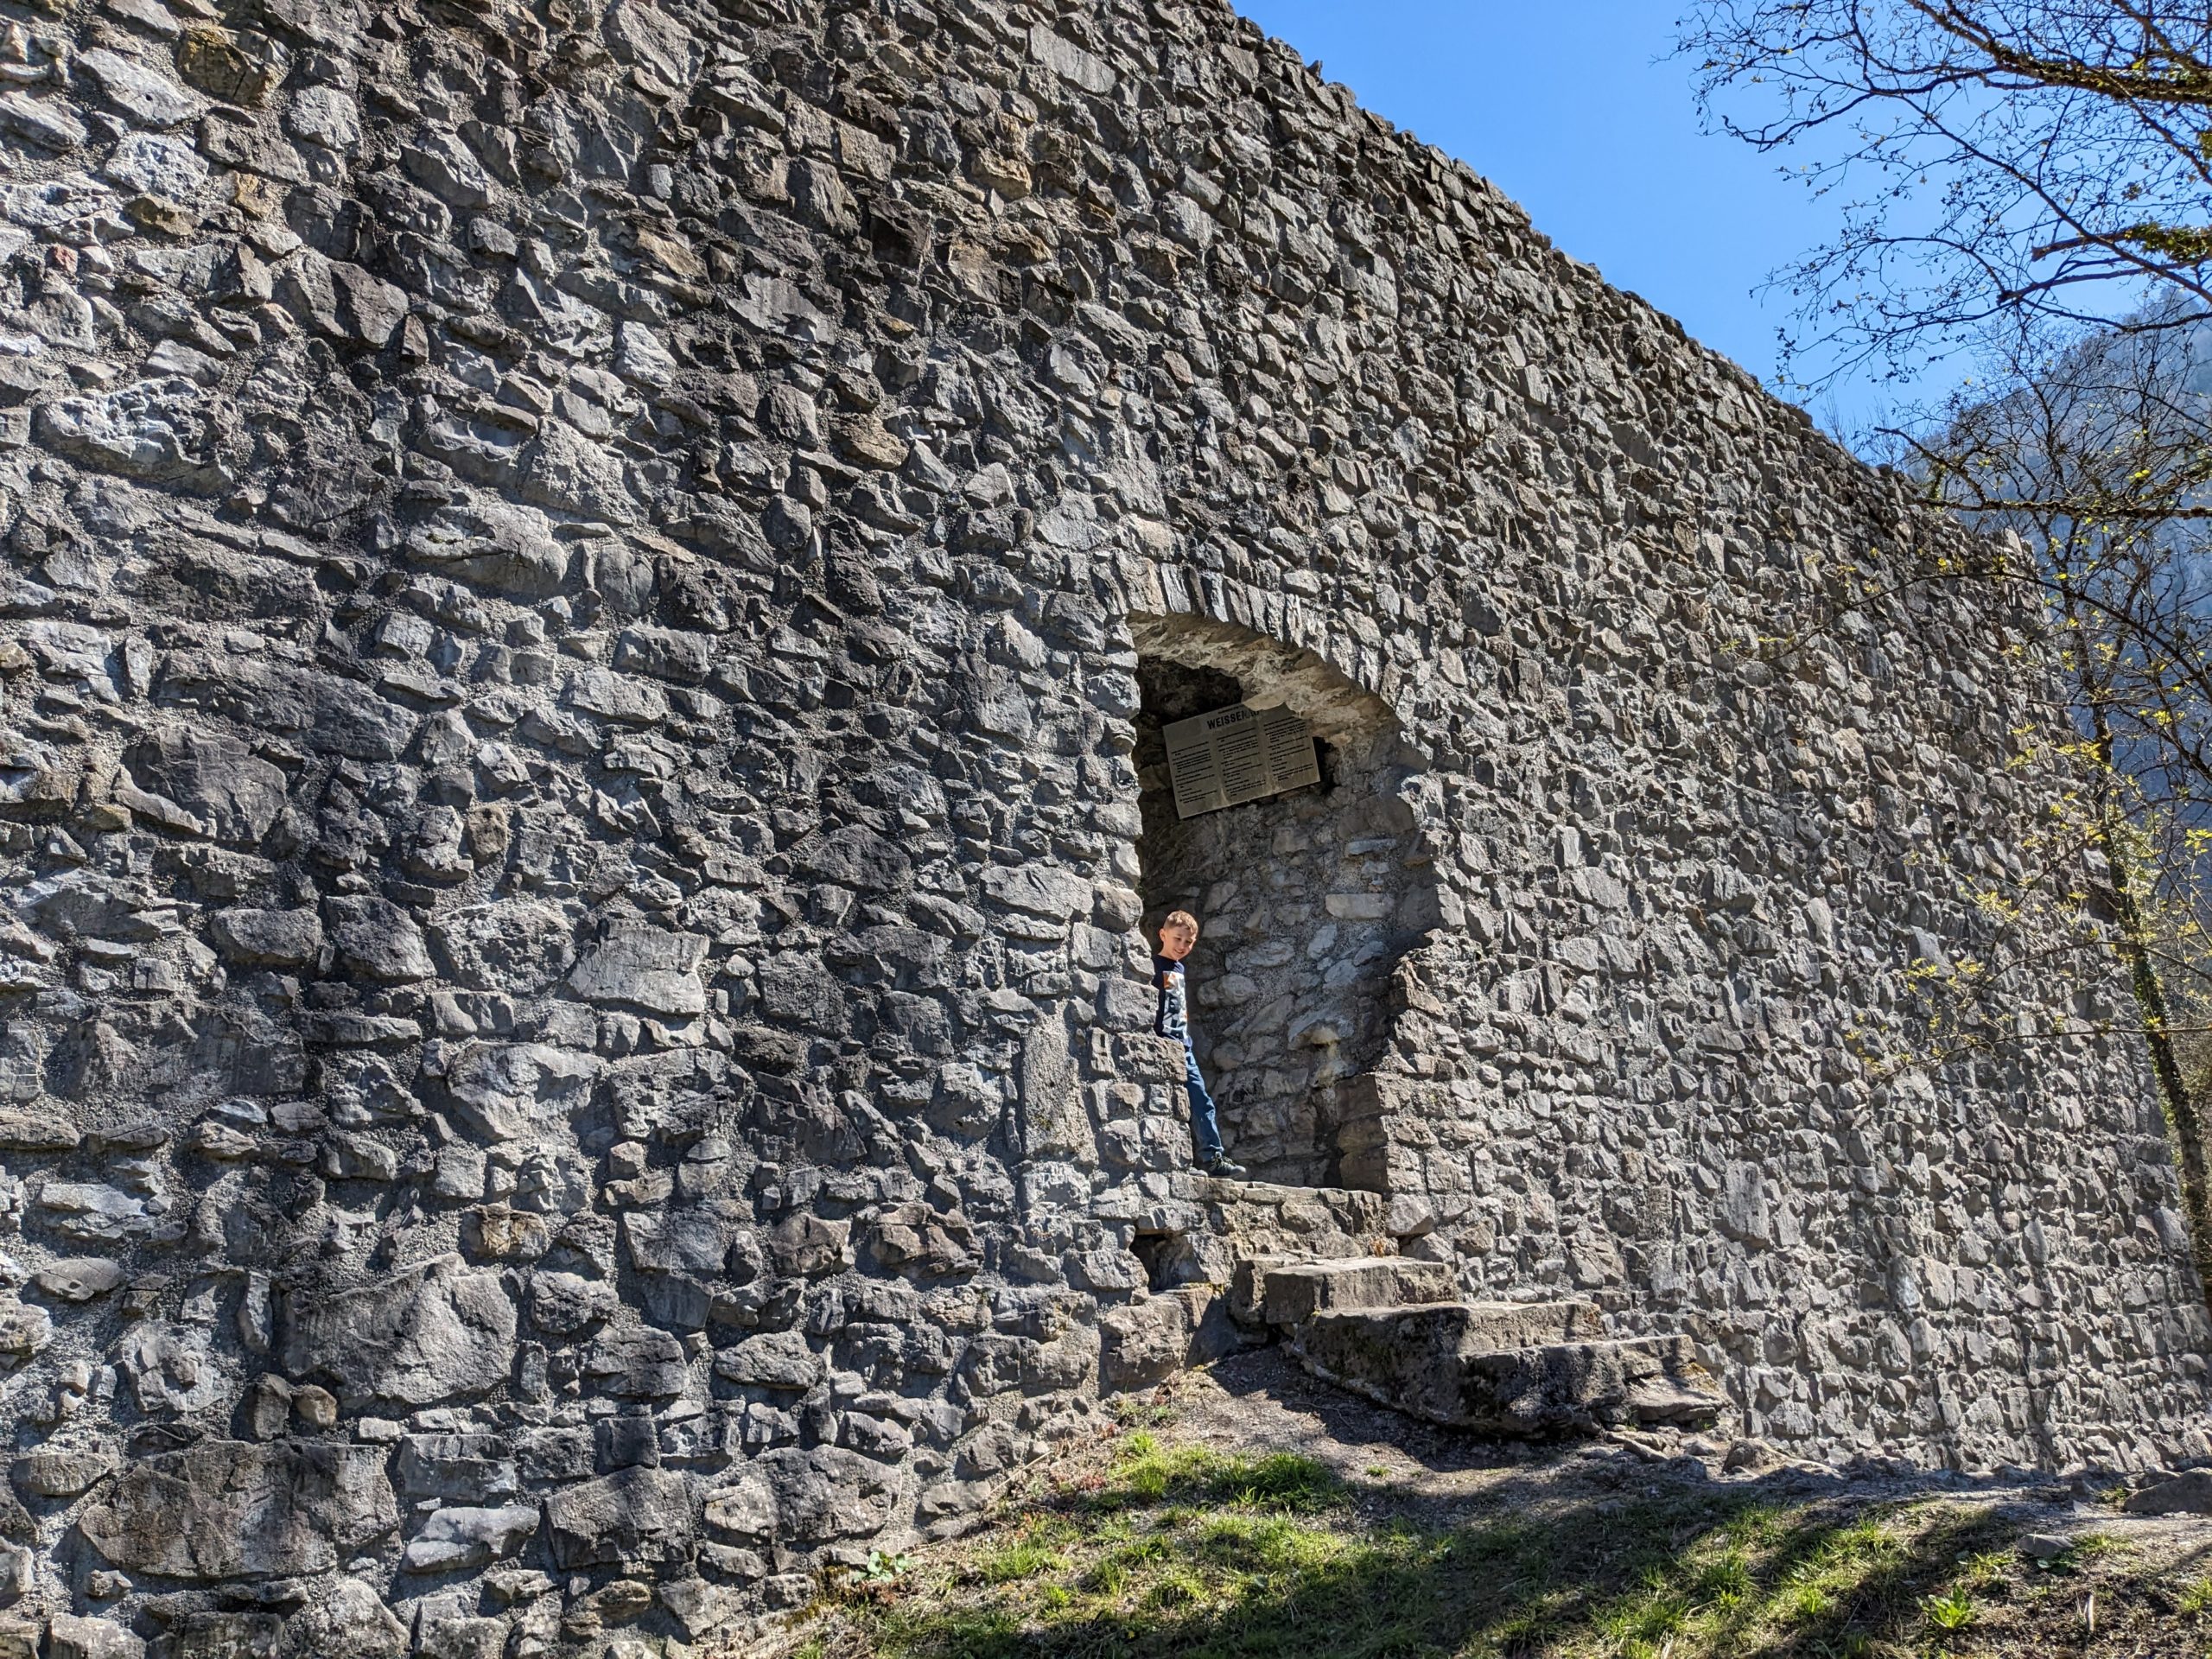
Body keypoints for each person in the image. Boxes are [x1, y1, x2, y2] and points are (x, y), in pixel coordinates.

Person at [1154, 910, 1248, 1179]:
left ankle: (1213, 1157)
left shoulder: (1179, 968)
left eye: (1189, 942)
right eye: (1178, 939)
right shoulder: (1153, 966)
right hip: (1165, 1043)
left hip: (1184, 1046)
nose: (1183, 946)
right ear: (1163, 935)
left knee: (1202, 1101)